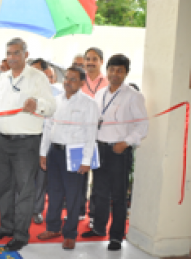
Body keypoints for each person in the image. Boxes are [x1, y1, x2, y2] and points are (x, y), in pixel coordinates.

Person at [0, 38, 56, 251]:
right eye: (9, 53)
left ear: (26, 54)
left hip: (27, 143)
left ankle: (20, 235)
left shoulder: (38, 77)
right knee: (3, 188)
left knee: (24, 190)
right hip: (3, 141)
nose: (12, 57)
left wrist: (37, 104)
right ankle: (5, 227)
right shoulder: (2, 79)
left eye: (17, 53)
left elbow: (51, 107)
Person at [81, 54, 148, 251]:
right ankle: (99, 228)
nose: (115, 74)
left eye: (120, 70)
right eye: (112, 69)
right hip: (100, 148)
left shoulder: (133, 96)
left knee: (118, 195)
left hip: (119, 151)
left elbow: (142, 125)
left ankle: (116, 236)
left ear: (126, 73)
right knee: (99, 192)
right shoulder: (100, 93)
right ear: (107, 70)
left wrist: (126, 142)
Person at [36, 67, 99, 250]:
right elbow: (47, 128)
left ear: (81, 83)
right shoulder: (55, 101)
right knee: (54, 193)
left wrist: (87, 160)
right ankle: (53, 228)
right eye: (66, 78)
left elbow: (91, 133)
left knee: (73, 196)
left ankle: (70, 234)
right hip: (54, 153)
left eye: (73, 79)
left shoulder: (89, 104)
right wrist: (43, 152)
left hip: (75, 154)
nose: (67, 82)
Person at [30, 59, 63, 225]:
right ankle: (21, 208)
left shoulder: (55, 93)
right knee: (24, 175)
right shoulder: (24, 90)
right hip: (27, 136)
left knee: (41, 176)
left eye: (37, 71)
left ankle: (37, 210)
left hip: (46, 136)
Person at [80, 47, 110, 228]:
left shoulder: (108, 83)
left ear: (101, 61)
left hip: (100, 136)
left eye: (94, 59)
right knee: (79, 175)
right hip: (79, 136)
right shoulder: (78, 80)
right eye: (88, 59)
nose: (90, 62)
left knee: (98, 178)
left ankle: (94, 214)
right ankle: (77, 212)